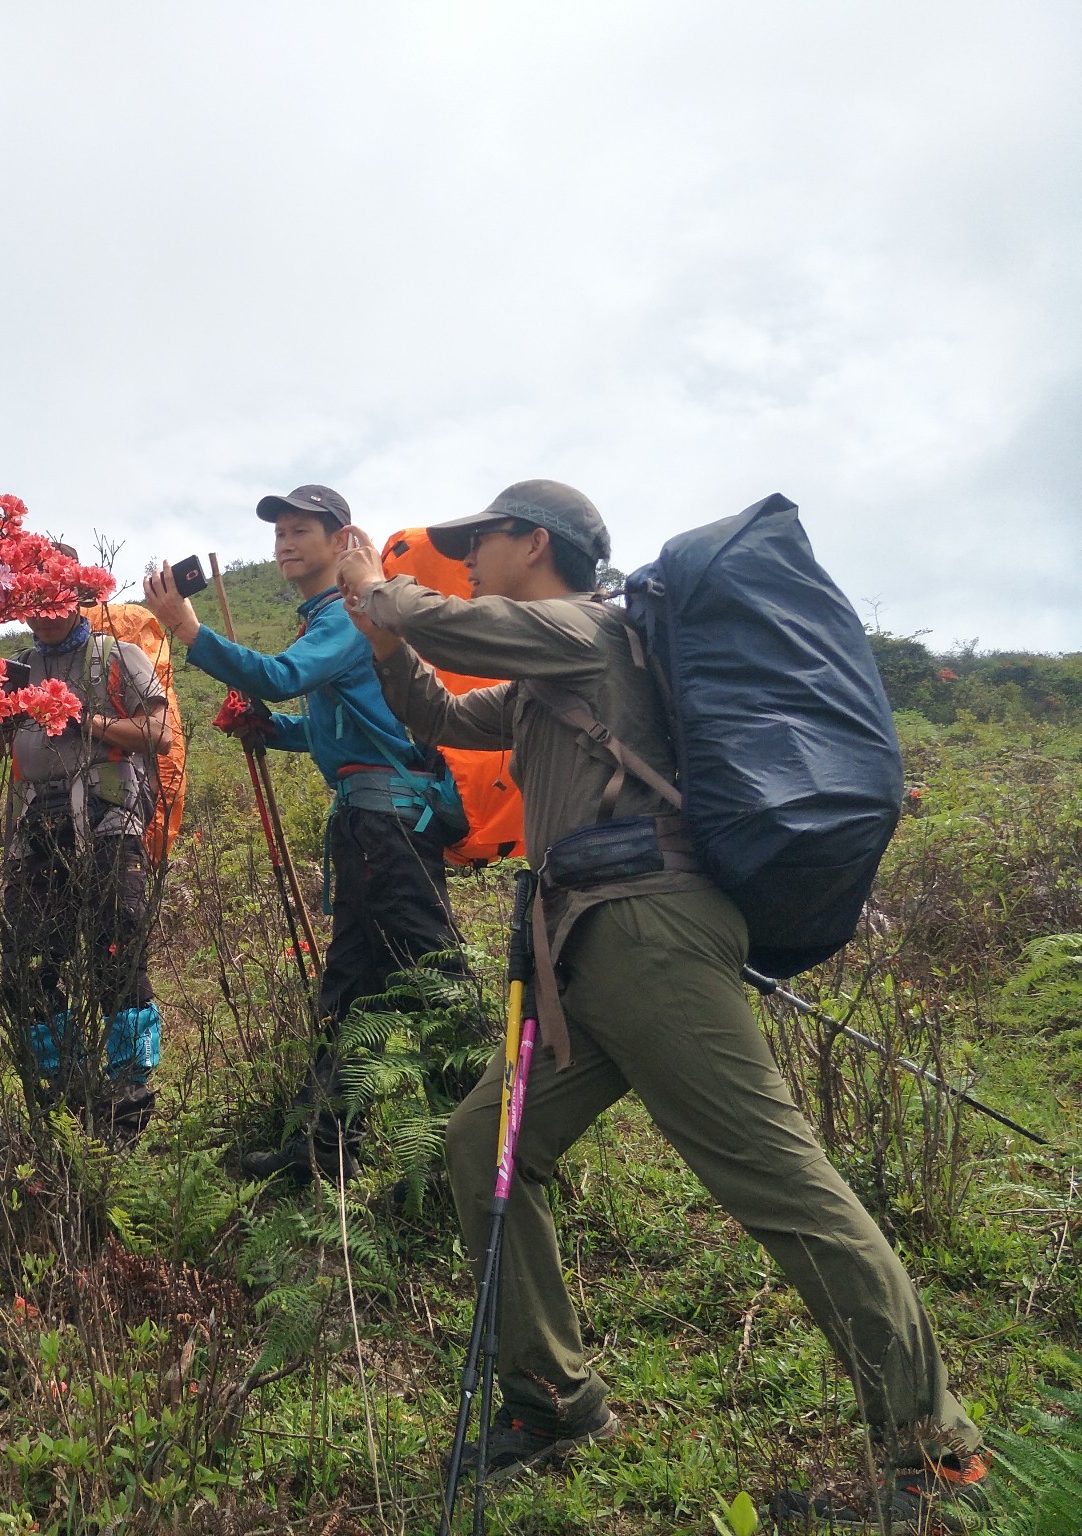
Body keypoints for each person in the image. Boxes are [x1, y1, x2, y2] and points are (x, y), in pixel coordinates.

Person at [334, 480, 987, 1517]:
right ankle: (552, 1396)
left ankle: (932, 1448)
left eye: (477, 540)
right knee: (483, 1146)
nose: (460, 557)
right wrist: (379, 641)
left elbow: (442, 617)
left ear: (531, 543)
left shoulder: (585, 631)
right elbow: (441, 713)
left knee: (775, 1178)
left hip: (644, 932)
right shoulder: (559, 677)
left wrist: (378, 589)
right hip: (584, 948)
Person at [143, 485, 466, 1182]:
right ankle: (324, 1147)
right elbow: (340, 729)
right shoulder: (329, 619)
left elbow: (283, 677)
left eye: (299, 531)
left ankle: (473, 1146)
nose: (284, 543)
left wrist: (194, 634)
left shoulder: (351, 617)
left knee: (438, 980)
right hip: (371, 822)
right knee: (352, 992)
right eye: (278, 532)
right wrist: (271, 732)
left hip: (389, 825)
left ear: (341, 540)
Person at [0, 550, 176, 1140]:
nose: (47, 613)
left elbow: (158, 734)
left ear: (81, 592)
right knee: (29, 963)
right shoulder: (15, 672)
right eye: (34, 601)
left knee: (117, 954)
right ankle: (62, 1090)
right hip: (34, 831)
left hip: (108, 825)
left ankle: (128, 1100)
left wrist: (84, 721)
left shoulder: (117, 657)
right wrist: (2, 723)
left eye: (59, 598)